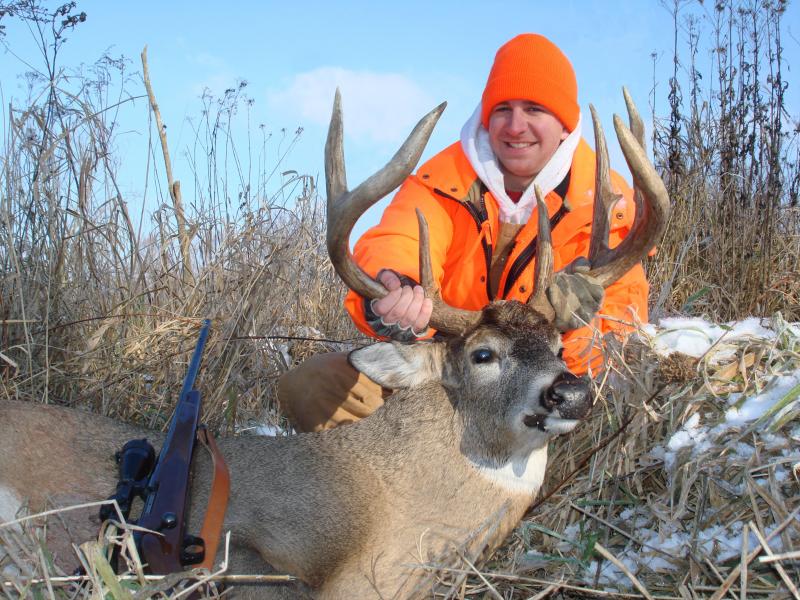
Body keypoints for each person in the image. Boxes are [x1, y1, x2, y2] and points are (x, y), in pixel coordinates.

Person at [278, 33, 647, 432]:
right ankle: (392, 490)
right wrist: (396, 286)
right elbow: (394, 240)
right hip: (449, 371)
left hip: (546, 390)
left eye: (534, 109)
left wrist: (572, 328)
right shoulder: (440, 182)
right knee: (314, 387)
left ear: (564, 125)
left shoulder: (609, 210)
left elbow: (618, 353)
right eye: (502, 108)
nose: (515, 125)